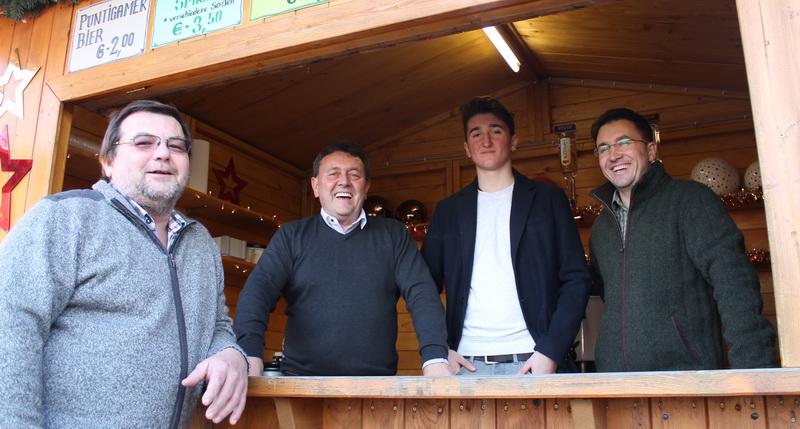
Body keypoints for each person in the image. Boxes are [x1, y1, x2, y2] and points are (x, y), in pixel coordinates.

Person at [0, 100, 248, 428]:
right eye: (144, 142)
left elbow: (217, 325)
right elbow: (9, 325)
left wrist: (232, 354)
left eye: (176, 146)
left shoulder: (200, 242)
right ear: (108, 161)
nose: (163, 153)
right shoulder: (64, 217)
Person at [234, 141, 451, 376]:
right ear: (315, 186)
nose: (344, 181)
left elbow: (422, 293)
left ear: (366, 188)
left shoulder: (393, 235)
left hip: (376, 384)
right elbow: (258, 291)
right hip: (301, 382)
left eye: (354, 174)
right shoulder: (291, 235)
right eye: (333, 173)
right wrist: (249, 352)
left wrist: (435, 356)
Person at [588, 107, 778, 371]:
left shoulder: (692, 201)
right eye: (604, 148)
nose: (613, 155)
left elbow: (735, 284)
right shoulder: (601, 227)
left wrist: (754, 369)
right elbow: (608, 297)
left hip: (687, 377)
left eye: (624, 142)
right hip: (616, 381)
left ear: (651, 151)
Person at [421, 96, 592, 375]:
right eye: (476, 134)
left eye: (496, 131)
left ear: (513, 141)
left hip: (534, 361)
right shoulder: (448, 211)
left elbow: (576, 277)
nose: (486, 141)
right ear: (467, 148)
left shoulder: (548, 199)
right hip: (465, 364)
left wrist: (552, 350)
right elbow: (424, 287)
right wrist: (438, 349)